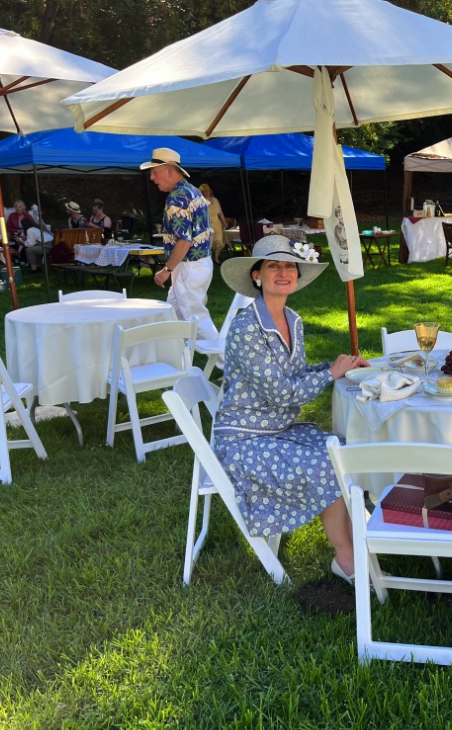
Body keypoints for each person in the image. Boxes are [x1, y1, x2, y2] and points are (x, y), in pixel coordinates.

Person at [214, 235, 371, 582]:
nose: (283, 272)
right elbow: (282, 394)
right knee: (325, 463)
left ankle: (360, 540)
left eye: (289, 266)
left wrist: (338, 365)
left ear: (297, 276)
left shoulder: (292, 319)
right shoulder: (246, 327)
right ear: (257, 275)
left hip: (278, 430)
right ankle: (345, 557)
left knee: (346, 449)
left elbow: (295, 376)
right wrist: (331, 374)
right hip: (244, 441)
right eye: (273, 266)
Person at [141, 148, 219, 342]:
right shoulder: (193, 191)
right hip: (199, 265)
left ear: (169, 171)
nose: (152, 177)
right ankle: (177, 364)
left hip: (187, 268)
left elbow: (184, 240)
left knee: (197, 323)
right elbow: (208, 233)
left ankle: (231, 366)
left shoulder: (177, 198)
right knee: (173, 319)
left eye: (154, 172)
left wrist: (167, 269)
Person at [199, 184, 228, 264]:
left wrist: (223, 222)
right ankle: (207, 258)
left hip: (217, 224)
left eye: (208, 191)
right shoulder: (200, 201)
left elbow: (220, 212)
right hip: (206, 225)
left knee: (219, 242)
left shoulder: (215, 200)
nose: (207, 192)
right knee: (208, 243)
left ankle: (216, 258)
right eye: (204, 191)